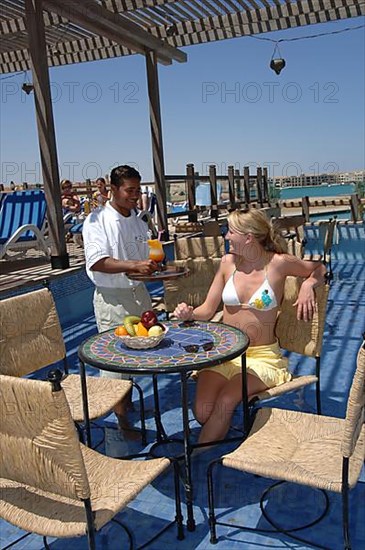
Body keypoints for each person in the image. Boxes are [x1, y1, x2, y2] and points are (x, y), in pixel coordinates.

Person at [174, 209, 327, 445]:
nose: (225, 236)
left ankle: (193, 461)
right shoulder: (227, 264)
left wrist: (308, 286)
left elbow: (319, 268)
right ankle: (216, 432)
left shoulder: (278, 263)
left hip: (261, 358)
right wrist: (188, 313)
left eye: (230, 231)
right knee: (203, 413)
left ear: (248, 237)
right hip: (225, 353)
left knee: (226, 401)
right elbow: (206, 309)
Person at [82, 165, 158, 435]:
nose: (135, 195)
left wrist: (153, 266)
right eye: (129, 190)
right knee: (115, 363)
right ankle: (121, 424)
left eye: (138, 190)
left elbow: (148, 254)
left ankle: (127, 406)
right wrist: (136, 265)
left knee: (138, 355)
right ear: (113, 189)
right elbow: (98, 262)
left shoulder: (139, 219)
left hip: (140, 294)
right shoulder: (96, 221)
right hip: (113, 299)